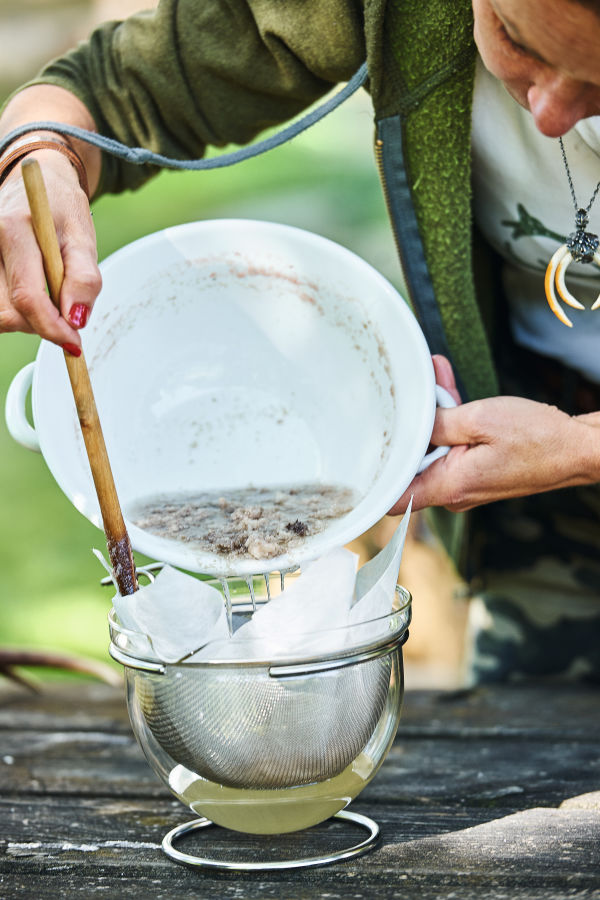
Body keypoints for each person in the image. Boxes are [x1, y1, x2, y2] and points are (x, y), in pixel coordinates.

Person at [1, 0, 600, 683]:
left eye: (596, 84)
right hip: (541, 467)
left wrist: (581, 448)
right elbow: (116, 87)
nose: (550, 114)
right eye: (516, 41)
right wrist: (38, 160)